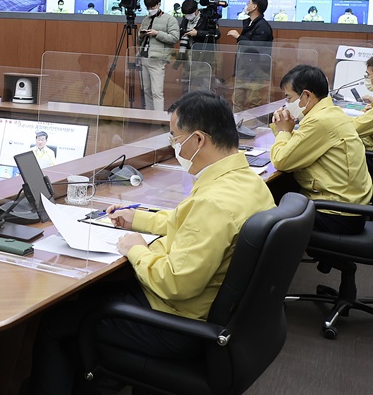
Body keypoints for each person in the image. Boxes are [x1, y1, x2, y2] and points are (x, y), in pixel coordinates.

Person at [30, 90, 274, 395]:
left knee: (55, 323)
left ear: (199, 140)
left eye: (175, 136)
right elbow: (187, 224)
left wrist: (135, 248)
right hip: (213, 315)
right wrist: (137, 219)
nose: (173, 145)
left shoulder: (213, 201)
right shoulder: (247, 181)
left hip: (175, 322)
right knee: (91, 299)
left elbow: (175, 283)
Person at [271, 65, 372, 234]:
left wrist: (282, 131)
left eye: (289, 98)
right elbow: (304, 141)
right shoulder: (331, 112)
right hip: (351, 209)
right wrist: (284, 131)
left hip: (335, 215)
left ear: (306, 96)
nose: (286, 104)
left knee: (267, 207)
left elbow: (281, 161)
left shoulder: (320, 121)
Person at [137, 0, 179, 111]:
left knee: (157, 92)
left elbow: (174, 38)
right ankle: (149, 116)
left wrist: (157, 33)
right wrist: (141, 35)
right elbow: (138, 41)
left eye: (153, 7)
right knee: (146, 90)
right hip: (145, 57)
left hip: (158, 59)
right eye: (148, 8)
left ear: (159, 4)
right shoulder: (146, 19)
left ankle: (158, 118)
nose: (150, 10)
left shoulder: (170, 19)